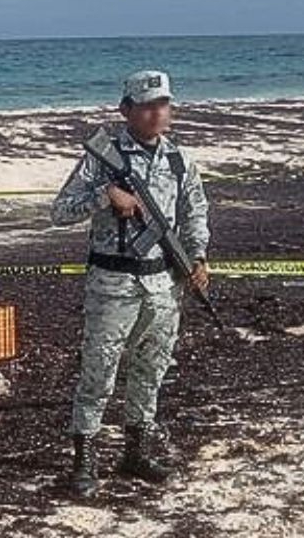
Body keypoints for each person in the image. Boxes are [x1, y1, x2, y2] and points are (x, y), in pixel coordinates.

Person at [50, 71, 210, 497]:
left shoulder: (179, 160)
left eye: (164, 104)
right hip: (113, 283)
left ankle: (135, 451)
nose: (158, 112)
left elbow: (195, 215)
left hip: (164, 284)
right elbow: (60, 211)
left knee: (151, 370)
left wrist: (197, 259)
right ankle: (85, 459)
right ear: (127, 110)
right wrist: (106, 196)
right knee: (99, 372)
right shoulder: (102, 158)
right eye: (148, 105)